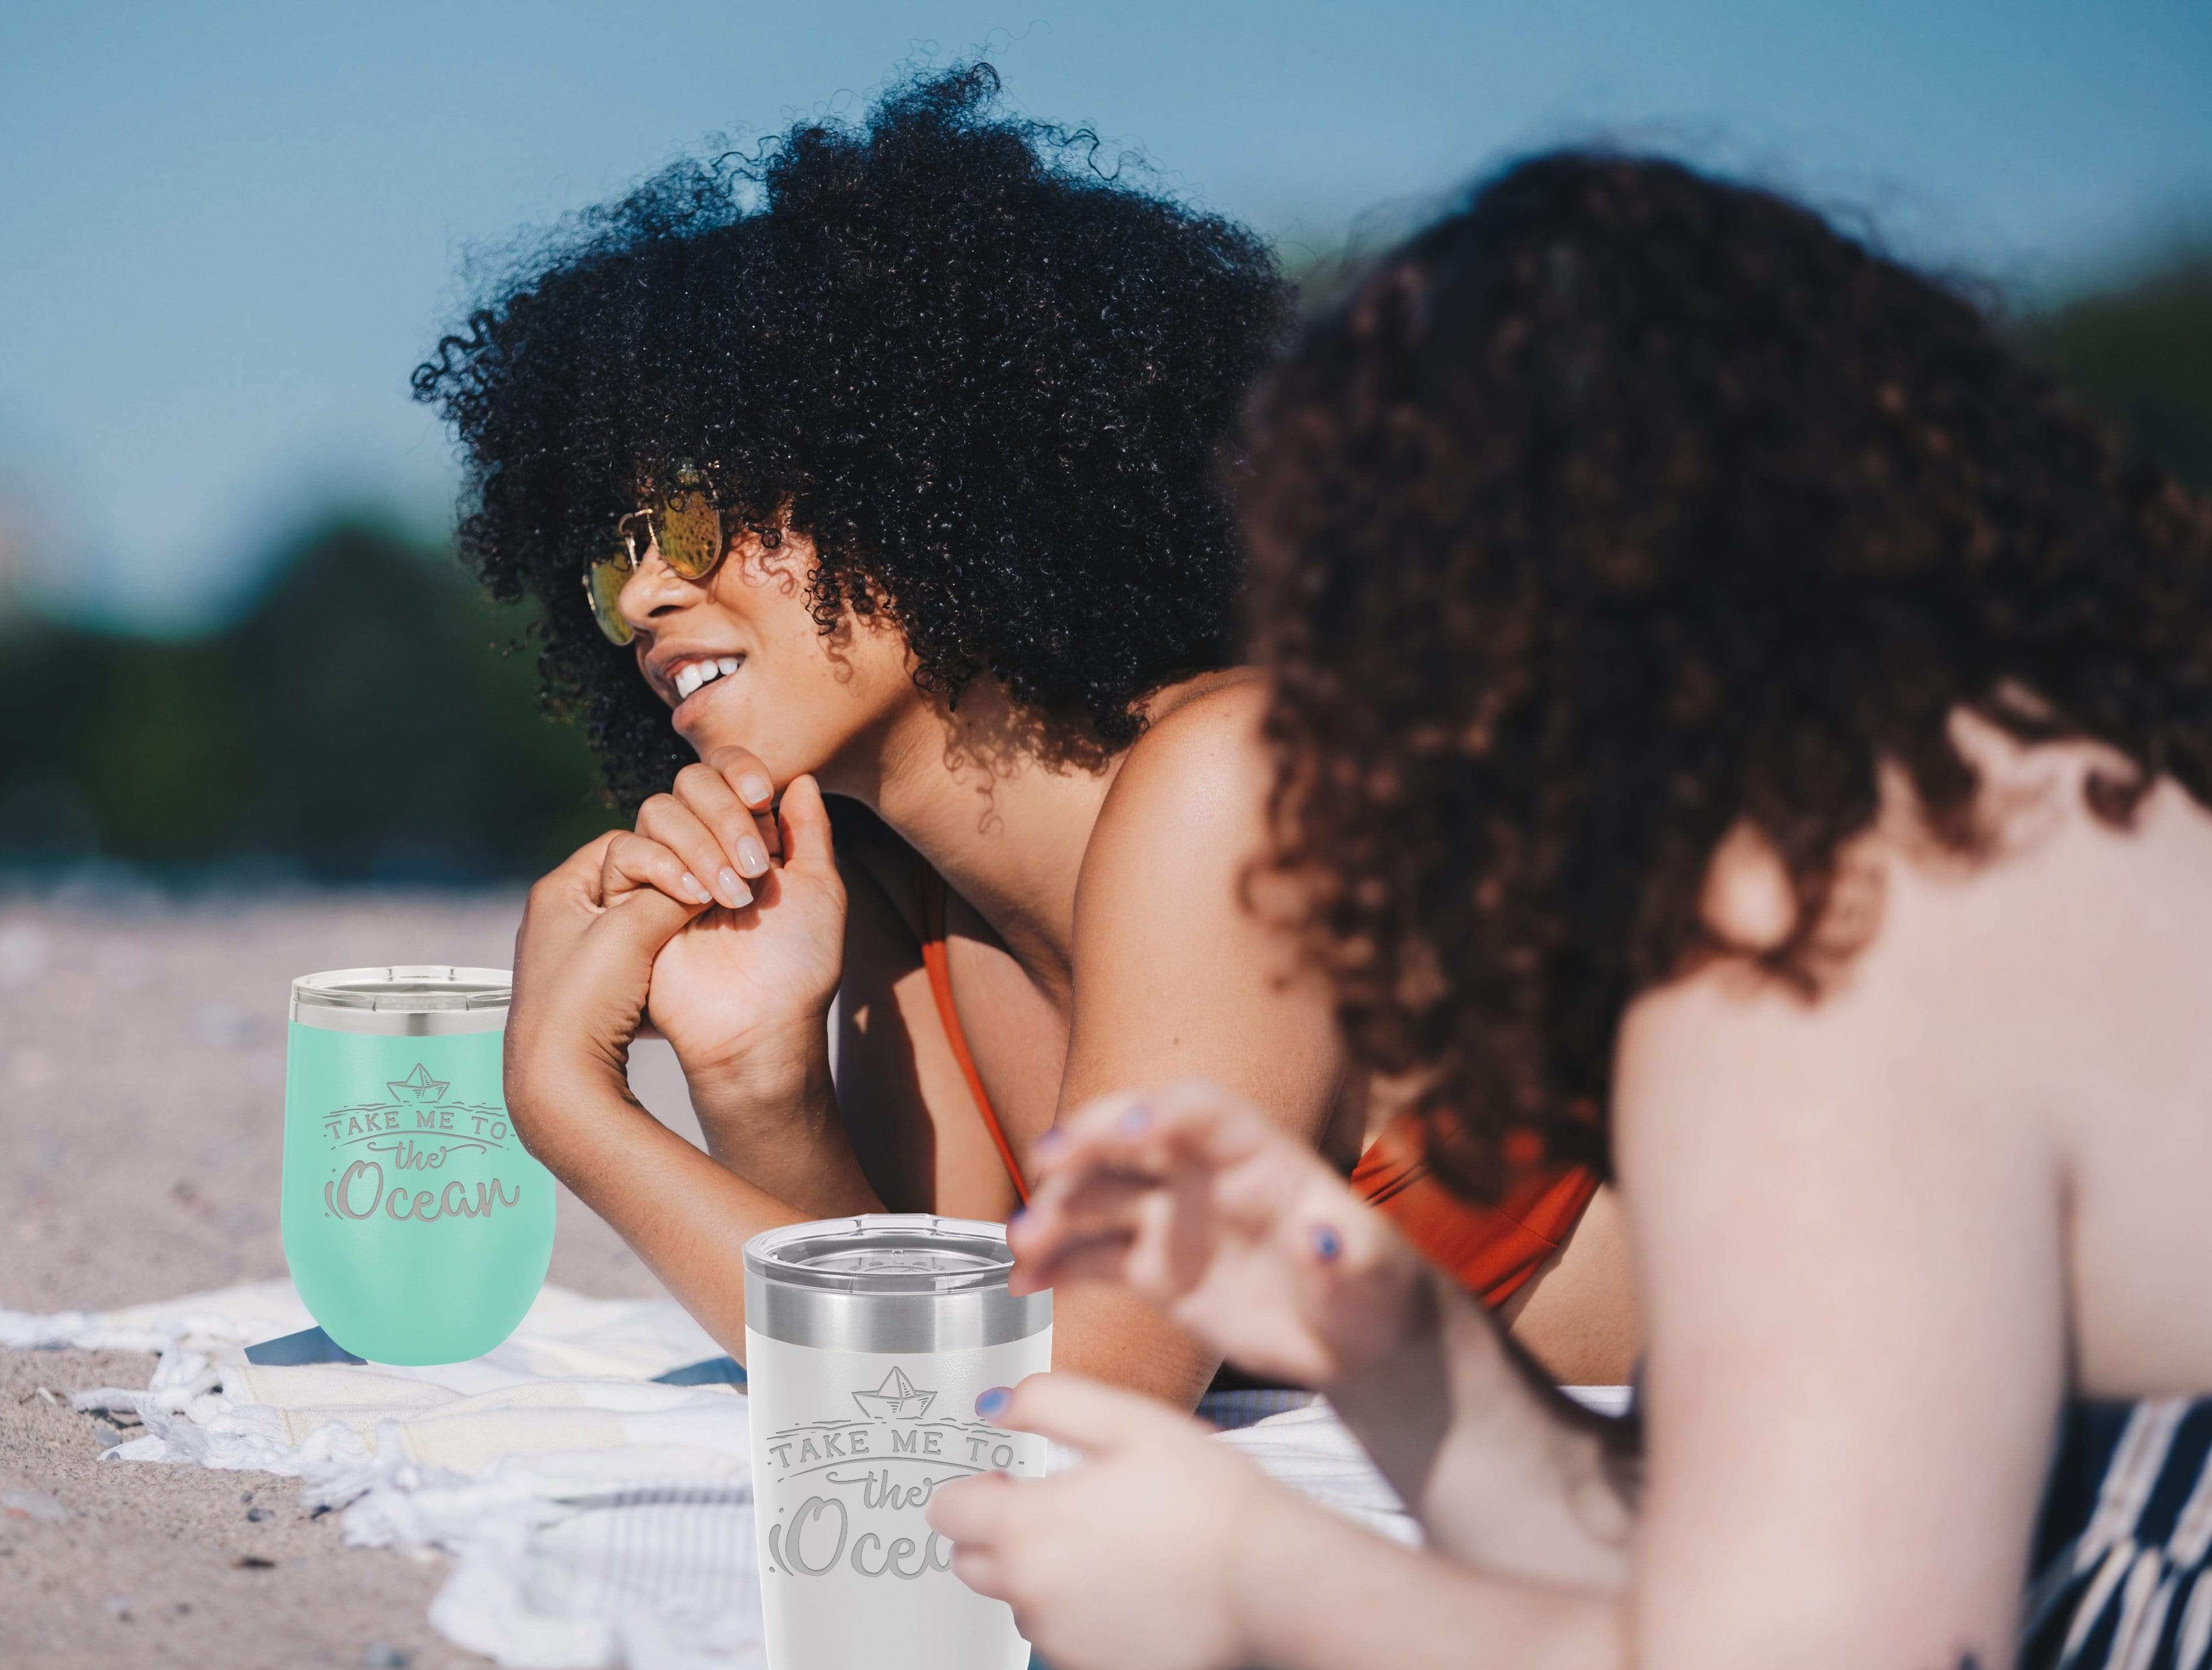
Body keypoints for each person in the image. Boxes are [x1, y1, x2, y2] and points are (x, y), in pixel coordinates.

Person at [930, 150, 2212, 1670]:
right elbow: (1741, 1559)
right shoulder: (1996, 802)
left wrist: (1255, 1578)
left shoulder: (1825, 927)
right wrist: (1404, 1349)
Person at [412, 66, 1635, 1397]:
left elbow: (1062, 1388)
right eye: (613, 558)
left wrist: (565, 1105)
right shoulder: (897, 886)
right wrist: (762, 1087)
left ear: (913, 466)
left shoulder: (1237, 777)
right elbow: (906, 1318)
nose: (646, 594)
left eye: (694, 518)